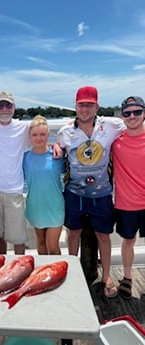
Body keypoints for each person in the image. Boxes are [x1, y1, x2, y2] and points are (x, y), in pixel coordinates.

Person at [57, 85, 125, 298]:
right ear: (75, 106)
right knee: (73, 233)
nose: (85, 109)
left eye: (89, 105)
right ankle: (73, 273)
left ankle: (106, 276)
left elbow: (135, 125)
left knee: (104, 236)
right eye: (81, 105)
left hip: (102, 193)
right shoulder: (65, 132)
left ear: (97, 106)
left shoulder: (112, 126)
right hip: (74, 194)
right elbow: (56, 147)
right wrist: (55, 147)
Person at [0, 91, 62, 255]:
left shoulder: (23, 127)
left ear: (14, 107)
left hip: (14, 189)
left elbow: (40, 136)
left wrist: (55, 145)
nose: (4, 109)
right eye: (0, 105)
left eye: (8, 105)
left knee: (18, 236)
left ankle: (19, 263)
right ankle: (1, 262)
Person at [111, 96, 145, 299]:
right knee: (128, 240)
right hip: (126, 203)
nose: (132, 116)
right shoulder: (116, 142)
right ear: (122, 116)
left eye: (137, 112)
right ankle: (127, 276)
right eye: (127, 113)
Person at [23, 115, 65, 255]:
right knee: (40, 241)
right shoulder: (25, 158)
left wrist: (56, 145)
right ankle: (43, 273)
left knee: (52, 246)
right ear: (30, 136)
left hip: (55, 207)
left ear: (48, 135)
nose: (39, 138)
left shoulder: (57, 155)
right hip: (35, 206)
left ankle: (56, 273)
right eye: (35, 134)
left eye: (42, 134)